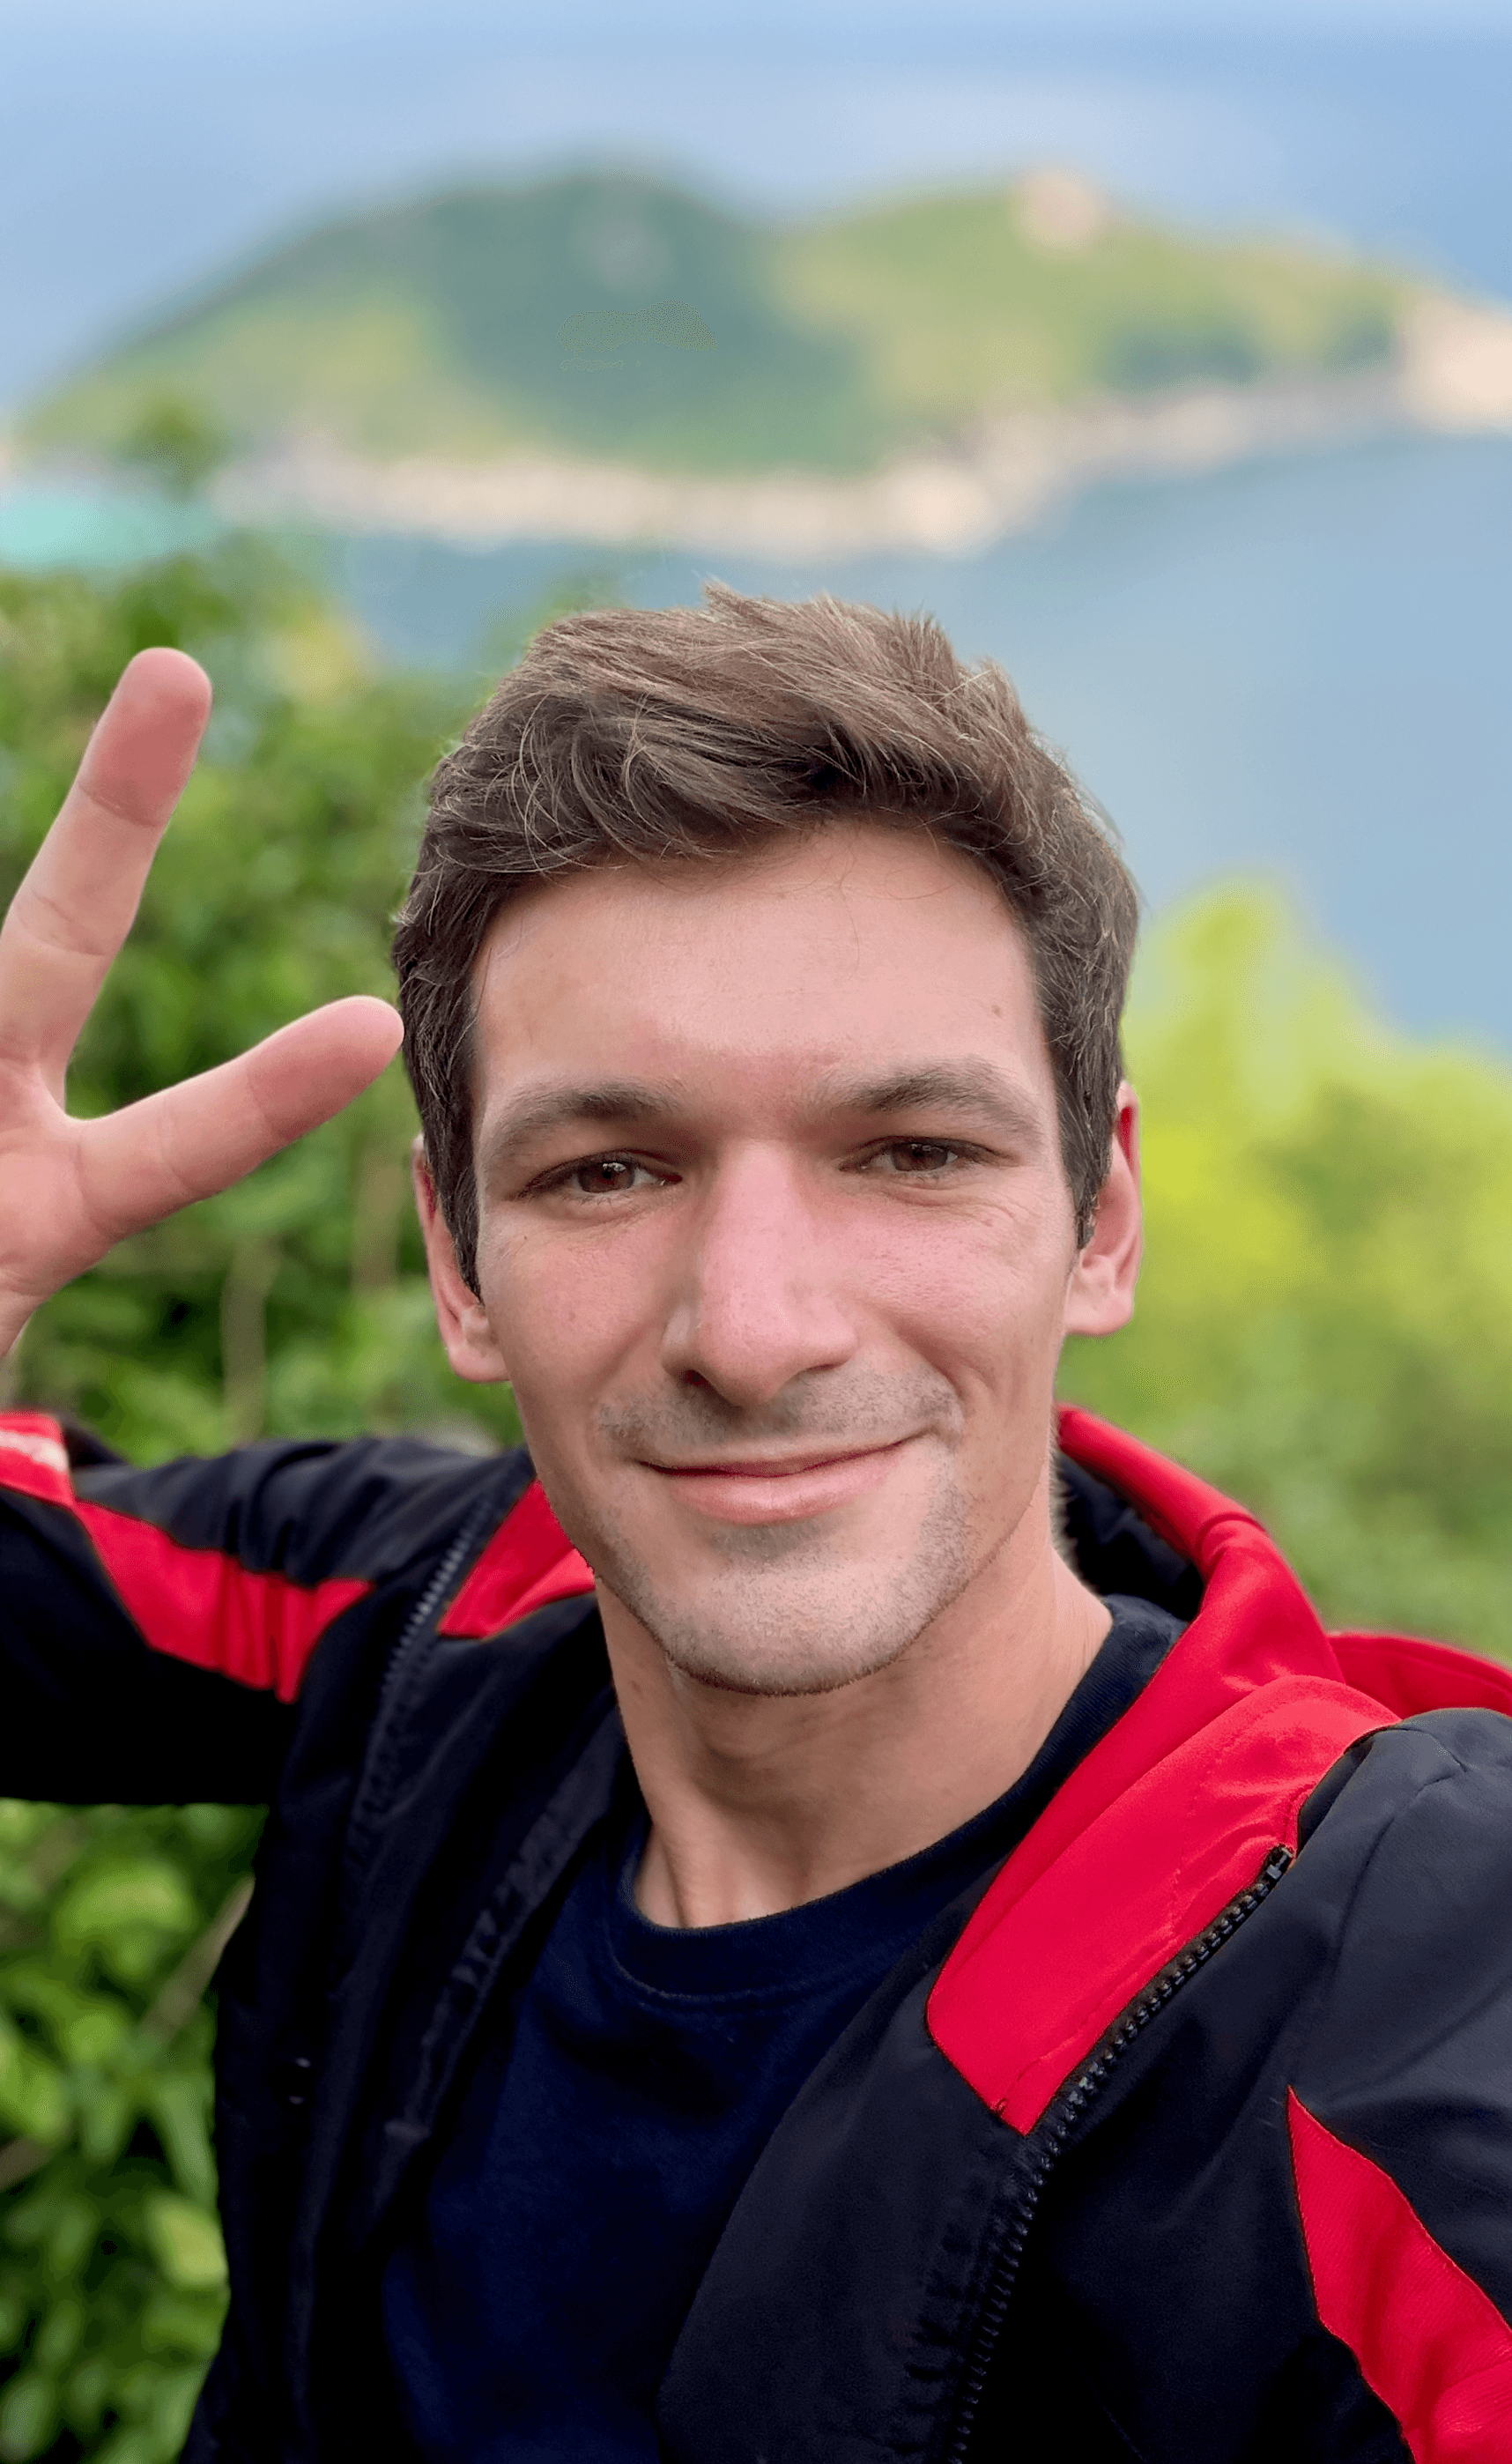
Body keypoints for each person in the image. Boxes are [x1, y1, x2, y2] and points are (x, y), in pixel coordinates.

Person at [2, 588, 1511, 2464]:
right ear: (459, 1259)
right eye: (608, 1168)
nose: (755, 1326)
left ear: (1101, 1217)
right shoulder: (429, 1611)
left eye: (913, 1152)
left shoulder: (1395, 1975)